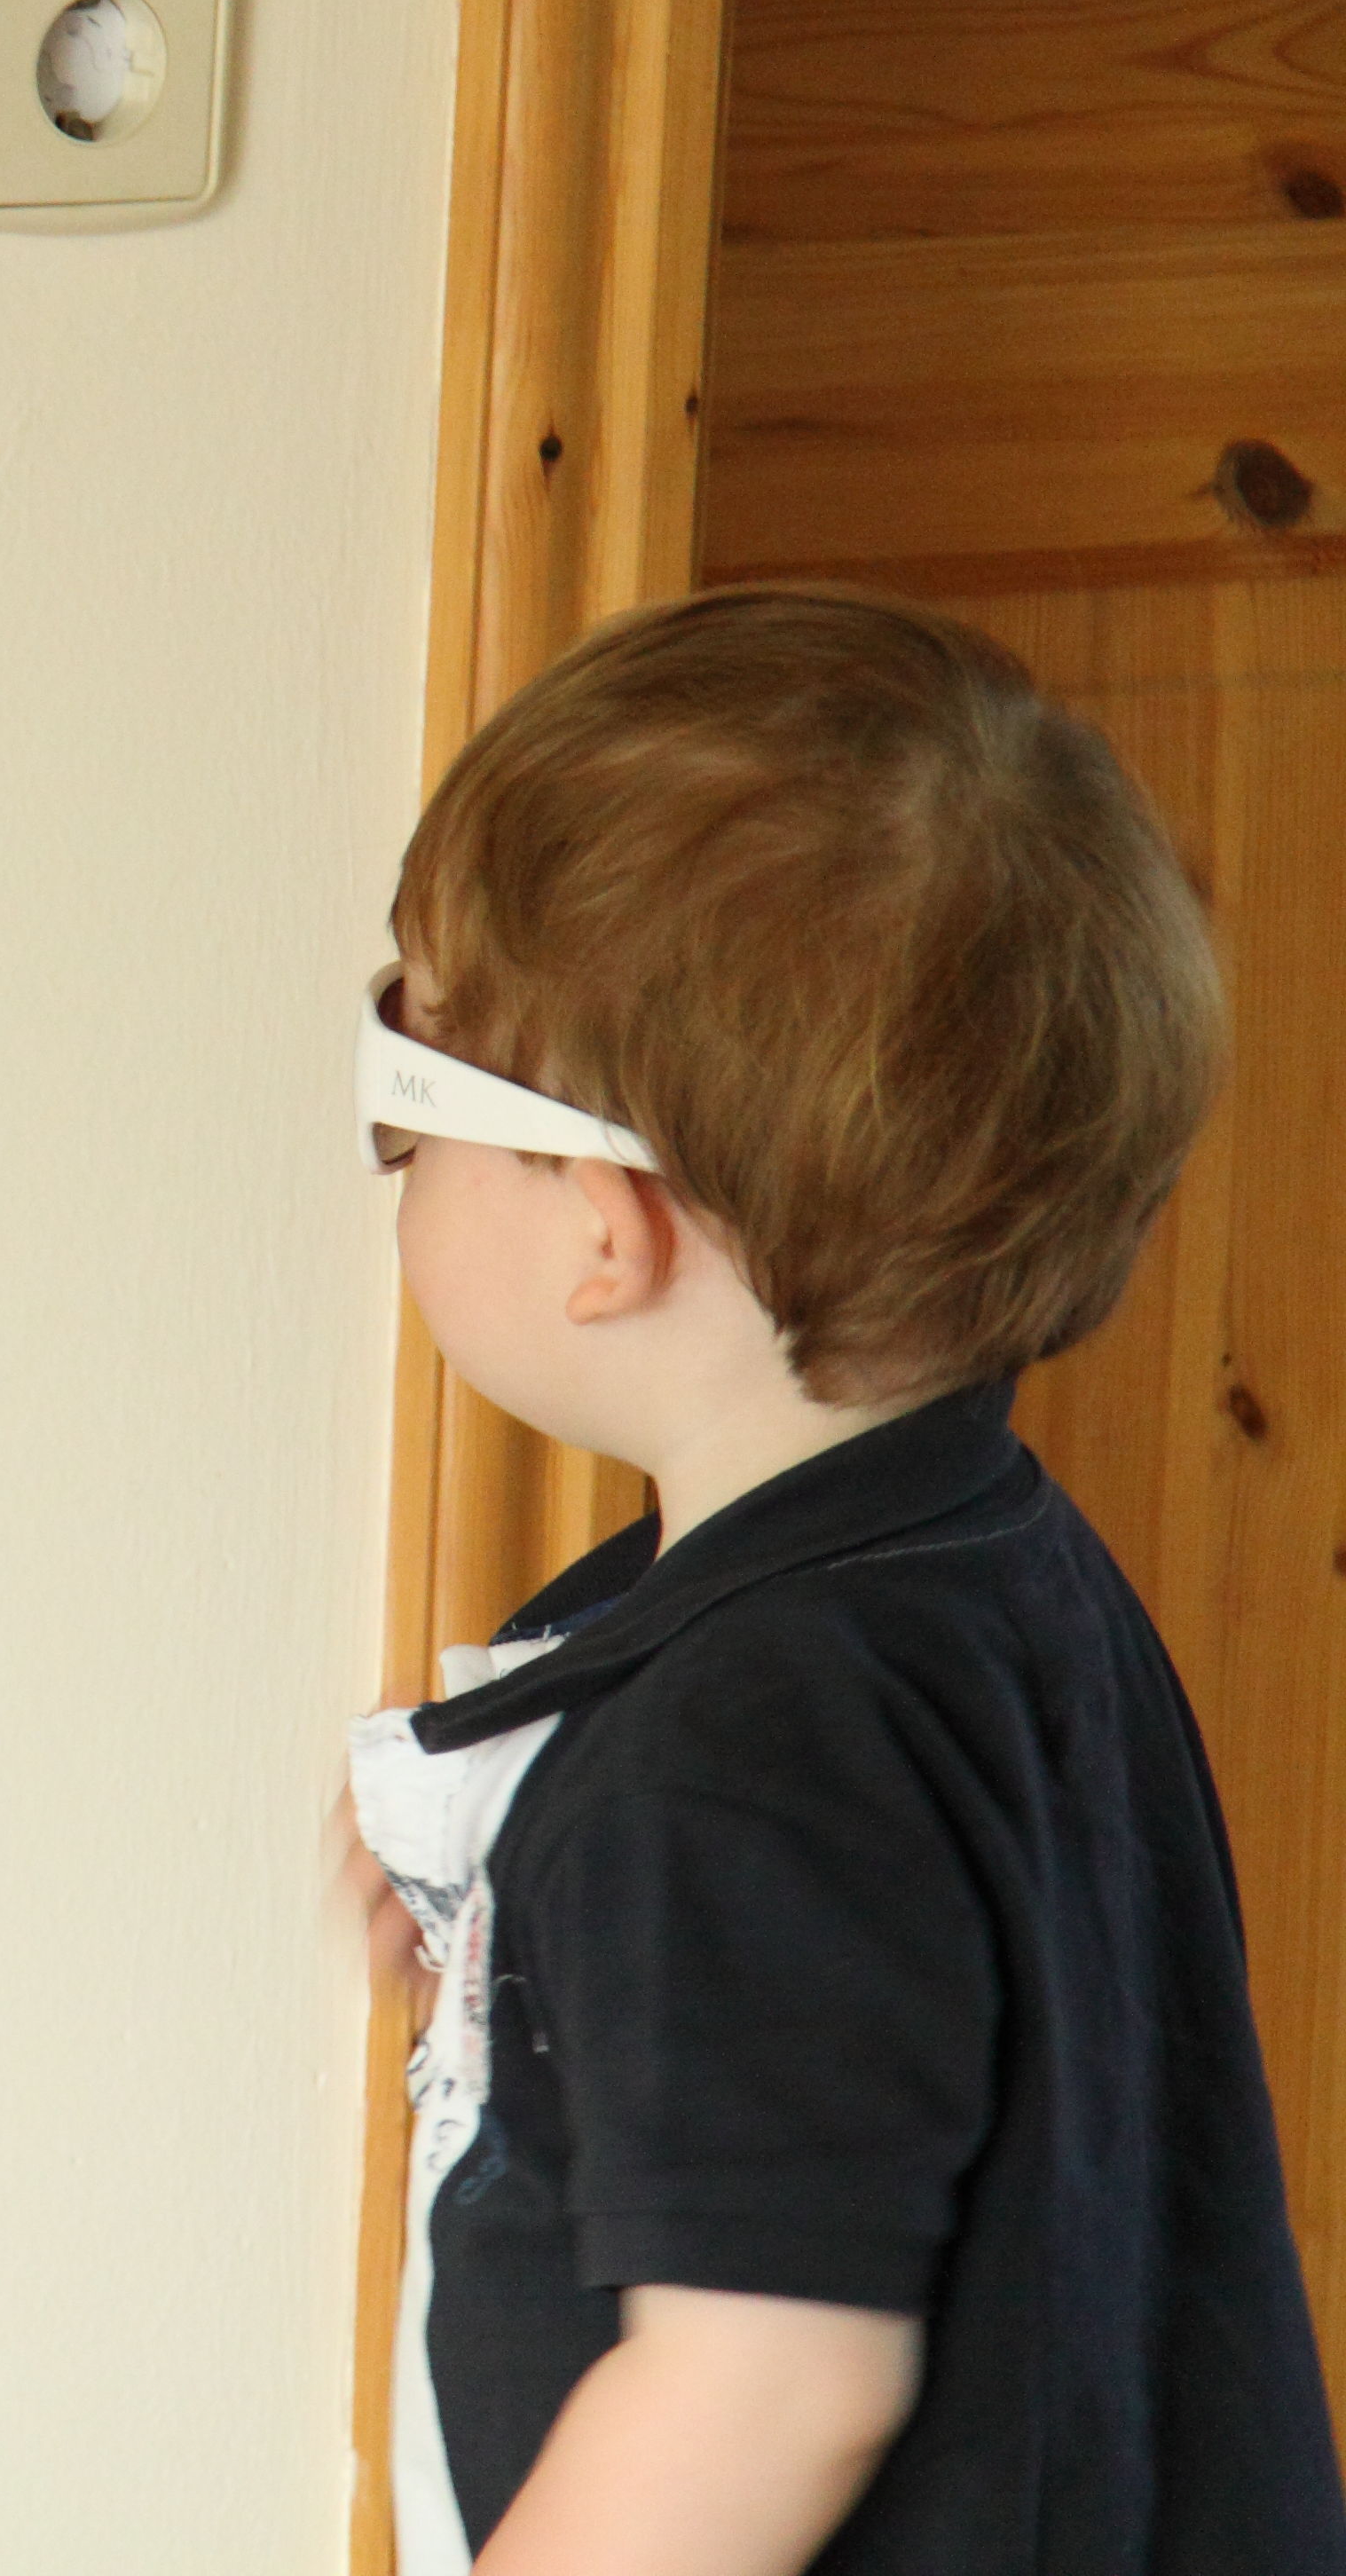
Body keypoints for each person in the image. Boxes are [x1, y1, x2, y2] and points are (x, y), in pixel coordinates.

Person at [343, 586, 1344, 2574]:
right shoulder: (982, 1570)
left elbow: (766, 2385)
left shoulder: (737, 1757)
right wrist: (522, 1953)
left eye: (413, 1090)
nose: (390, 1146)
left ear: (605, 1228)